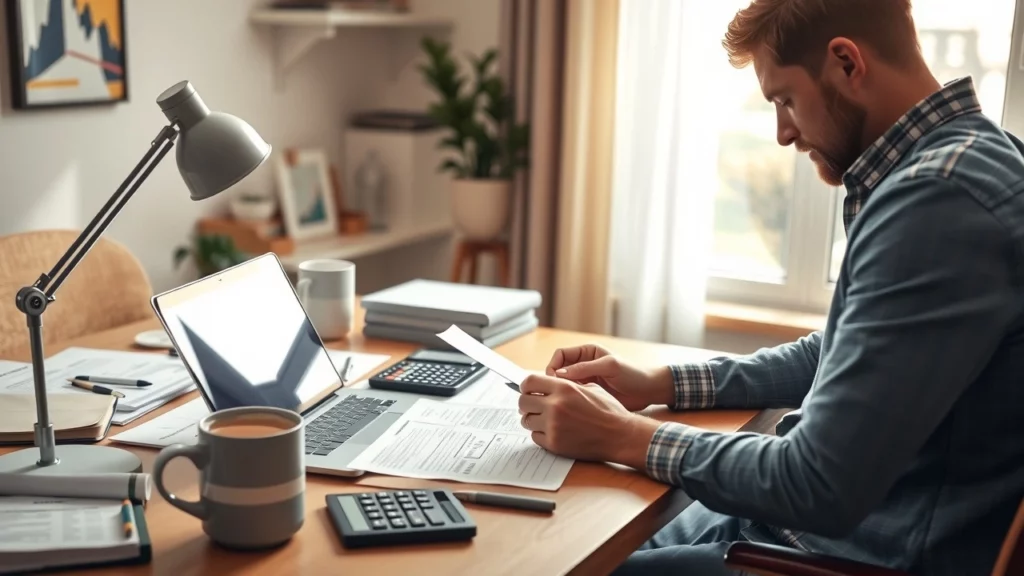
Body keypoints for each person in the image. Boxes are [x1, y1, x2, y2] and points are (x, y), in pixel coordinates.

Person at [516, 1, 1024, 574]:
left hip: (842, 555)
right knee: (573, 534)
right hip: (804, 532)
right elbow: (837, 350)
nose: (783, 133)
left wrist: (619, 435)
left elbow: (816, 484)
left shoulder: (939, 201)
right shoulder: (980, 157)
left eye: (784, 99)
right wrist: (660, 383)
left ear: (845, 63)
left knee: (549, 562)